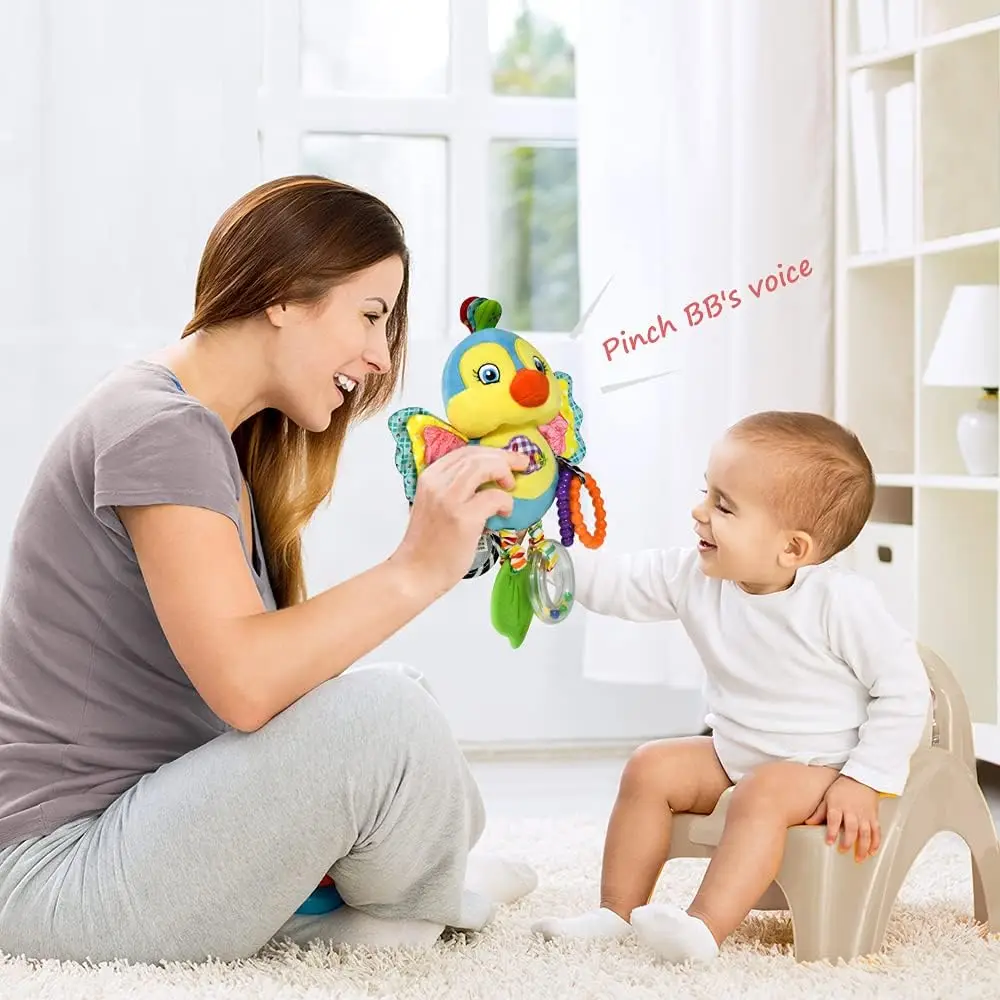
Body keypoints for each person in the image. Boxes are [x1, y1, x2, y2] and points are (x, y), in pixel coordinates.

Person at [0, 175, 538, 964]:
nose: (380, 357)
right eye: (371, 315)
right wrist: (416, 567)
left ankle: (391, 887)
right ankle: (407, 899)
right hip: (61, 877)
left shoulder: (192, 427)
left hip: (132, 834)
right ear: (284, 294)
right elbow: (247, 686)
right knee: (386, 719)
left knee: (396, 699)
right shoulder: (162, 428)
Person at [531, 411, 931, 963]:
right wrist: (546, 556)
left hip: (820, 766)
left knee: (760, 796)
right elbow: (618, 585)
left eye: (723, 506)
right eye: (706, 493)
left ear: (792, 549)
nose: (699, 513)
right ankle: (615, 913)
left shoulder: (839, 603)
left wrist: (863, 779)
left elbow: (907, 692)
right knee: (650, 766)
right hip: (734, 751)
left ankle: (704, 928)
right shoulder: (694, 575)